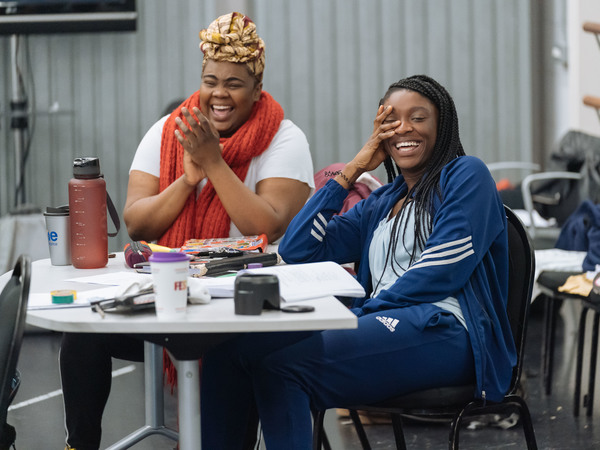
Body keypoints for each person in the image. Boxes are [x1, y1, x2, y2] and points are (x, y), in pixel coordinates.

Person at [198, 74, 517, 449]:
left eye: (418, 117)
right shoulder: (381, 204)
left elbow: (442, 269)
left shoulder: (465, 174)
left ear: (441, 125)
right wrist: (356, 165)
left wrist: (360, 313)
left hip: (447, 330)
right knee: (229, 355)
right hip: (382, 321)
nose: (404, 128)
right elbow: (300, 249)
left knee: (282, 369)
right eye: (391, 120)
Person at [59, 12, 314, 450]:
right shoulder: (166, 132)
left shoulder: (284, 140)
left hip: (242, 310)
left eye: (234, 83)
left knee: (230, 376)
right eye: (210, 80)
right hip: (170, 296)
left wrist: (214, 164)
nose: (219, 93)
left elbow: (269, 225)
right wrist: (187, 178)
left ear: (256, 89)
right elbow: (137, 225)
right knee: (84, 334)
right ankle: (79, 445)